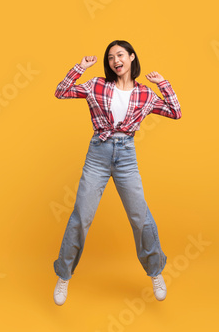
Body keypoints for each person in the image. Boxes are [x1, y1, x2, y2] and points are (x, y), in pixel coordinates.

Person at [53, 40, 182, 306]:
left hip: (126, 157)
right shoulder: (97, 85)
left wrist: (163, 84)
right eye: (110, 57)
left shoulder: (145, 94)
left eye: (120, 55)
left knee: (140, 218)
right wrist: (80, 67)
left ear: (132, 57)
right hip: (98, 155)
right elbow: (61, 91)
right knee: (81, 217)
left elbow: (175, 112)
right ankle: (64, 276)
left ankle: (155, 271)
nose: (115, 60)